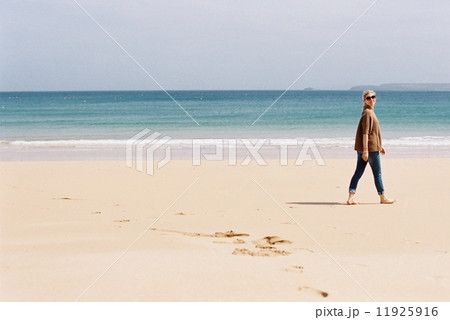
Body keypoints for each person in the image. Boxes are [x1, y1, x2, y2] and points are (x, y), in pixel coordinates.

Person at [347, 90, 396, 205]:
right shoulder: (368, 113)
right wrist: (365, 151)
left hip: (372, 148)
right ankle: (382, 197)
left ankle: (351, 197)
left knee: (358, 172)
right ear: (364, 100)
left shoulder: (368, 112)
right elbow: (365, 133)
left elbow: (374, 133)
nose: (371, 99)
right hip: (370, 150)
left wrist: (380, 146)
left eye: (373, 97)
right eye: (368, 98)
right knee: (377, 173)